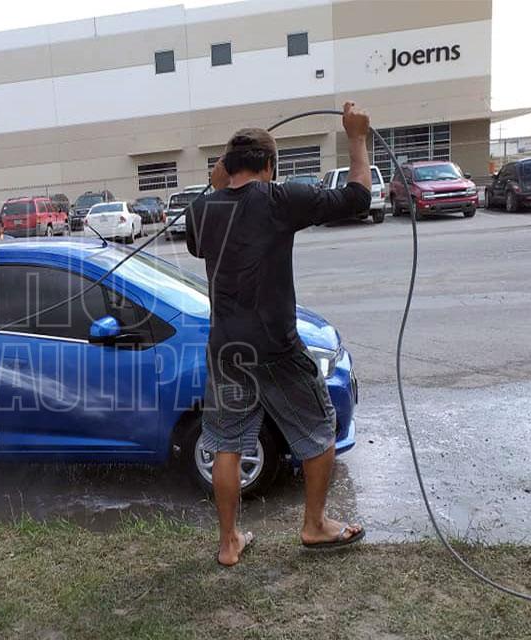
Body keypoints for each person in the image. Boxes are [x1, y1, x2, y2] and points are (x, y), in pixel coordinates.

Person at [186, 102, 372, 567]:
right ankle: (314, 525)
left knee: (226, 442)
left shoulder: (202, 209)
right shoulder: (278, 198)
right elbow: (358, 197)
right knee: (319, 427)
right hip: (275, 347)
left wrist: (213, 189)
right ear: (270, 166)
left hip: (226, 348)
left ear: (227, 167)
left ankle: (229, 543)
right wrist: (356, 137)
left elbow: (194, 240)